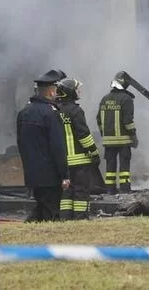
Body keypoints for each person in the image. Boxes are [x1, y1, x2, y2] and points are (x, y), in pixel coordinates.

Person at [17, 70, 70, 222]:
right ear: (51, 91)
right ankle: (49, 241)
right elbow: (57, 146)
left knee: (41, 206)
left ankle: (28, 231)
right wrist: (64, 175)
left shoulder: (24, 112)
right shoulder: (50, 113)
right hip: (50, 176)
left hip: (32, 173)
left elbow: (20, 143)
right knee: (51, 212)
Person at [56, 78, 101, 220]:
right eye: (77, 89)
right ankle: (80, 218)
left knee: (66, 192)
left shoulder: (56, 111)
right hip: (80, 161)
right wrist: (94, 153)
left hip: (63, 162)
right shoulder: (76, 111)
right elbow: (84, 136)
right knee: (81, 191)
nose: (79, 91)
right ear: (70, 92)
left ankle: (65, 218)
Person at [97, 71, 137, 194]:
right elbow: (128, 121)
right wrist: (133, 136)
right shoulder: (126, 99)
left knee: (110, 167)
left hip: (108, 141)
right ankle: (125, 189)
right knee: (124, 167)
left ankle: (110, 189)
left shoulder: (104, 99)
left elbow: (98, 119)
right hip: (124, 140)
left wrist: (104, 134)